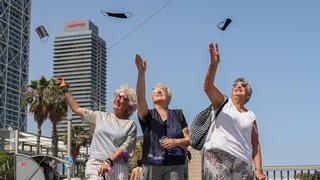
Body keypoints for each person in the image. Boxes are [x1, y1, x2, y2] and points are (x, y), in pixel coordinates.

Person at [202, 43, 265, 180]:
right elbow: (208, 87)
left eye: (243, 85)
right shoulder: (223, 102)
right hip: (217, 154)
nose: (238, 86)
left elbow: (255, 144)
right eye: (235, 85)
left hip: (243, 161)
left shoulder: (251, 116)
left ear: (248, 94)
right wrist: (214, 65)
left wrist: (258, 169)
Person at [56, 77, 137, 180]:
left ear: (129, 106)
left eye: (122, 98)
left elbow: (124, 148)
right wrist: (65, 89)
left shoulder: (131, 124)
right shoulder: (100, 116)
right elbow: (76, 109)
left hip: (118, 168)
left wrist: (108, 162)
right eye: (116, 95)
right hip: (95, 164)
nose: (117, 98)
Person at [135, 54, 190, 180]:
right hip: (152, 164)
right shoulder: (147, 114)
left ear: (169, 98)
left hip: (176, 164)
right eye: (155, 90)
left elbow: (189, 140)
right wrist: (141, 73)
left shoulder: (178, 114)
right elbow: (140, 97)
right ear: (152, 97)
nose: (159, 91)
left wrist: (176, 141)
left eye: (163, 90)